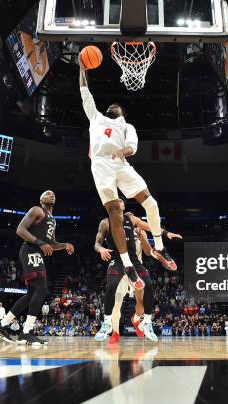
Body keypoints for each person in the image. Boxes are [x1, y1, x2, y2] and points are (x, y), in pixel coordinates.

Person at [78, 60, 177, 290]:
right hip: (101, 164)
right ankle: (127, 265)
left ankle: (159, 248)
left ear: (121, 112)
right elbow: (85, 92)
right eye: (110, 105)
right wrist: (82, 69)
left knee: (151, 204)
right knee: (115, 213)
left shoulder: (127, 126)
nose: (113, 106)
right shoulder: (96, 118)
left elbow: (132, 147)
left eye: (116, 106)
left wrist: (123, 151)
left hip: (121, 163)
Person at [0, 190, 74, 346]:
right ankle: (26, 332)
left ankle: (1, 325)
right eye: (47, 193)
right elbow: (20, 230)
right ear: (41, 199)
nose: (51, 194)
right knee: (42, 288)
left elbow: (53, 244)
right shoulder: (37, 210)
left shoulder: (53, 219)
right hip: (30, 249)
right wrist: (40, 243)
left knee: (31, 294)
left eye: (53, 194)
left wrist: (65, 245)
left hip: (37, 251)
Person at [94, 198, 182, 343]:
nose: (119, 202)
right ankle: (109, 327)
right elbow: (97, 242)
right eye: (116, 201)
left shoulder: (133, 222)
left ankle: (144, 321)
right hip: (117, 260)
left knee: (148, 288)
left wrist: (166, 233)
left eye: (121, 201)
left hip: (135, 262)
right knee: (112, 290)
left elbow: (150, 228)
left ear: (123, 206)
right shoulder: (105, 222)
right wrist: (101, 248)